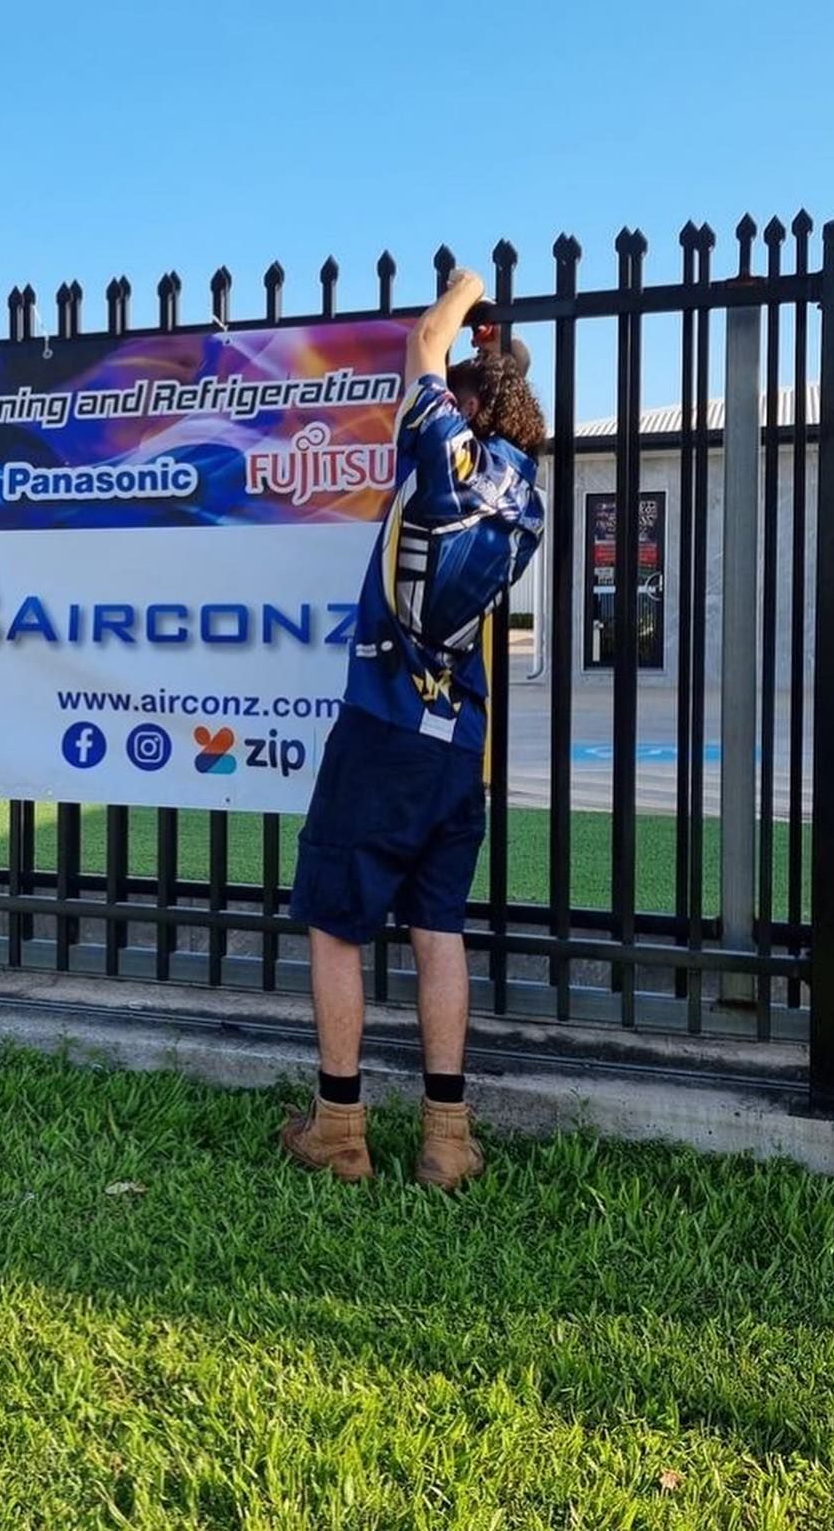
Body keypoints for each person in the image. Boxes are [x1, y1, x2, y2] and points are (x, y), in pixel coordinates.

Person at [281, 267, 547, 1190]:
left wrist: (462, 294)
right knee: (437, 929)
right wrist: (497, 350)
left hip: (382, 726)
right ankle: (445, 1137)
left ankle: (340, 1130)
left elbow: (419, 348)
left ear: (466, 400)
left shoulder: (443, 456)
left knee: (335, 928)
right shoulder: (527, 495)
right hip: (455, 742)